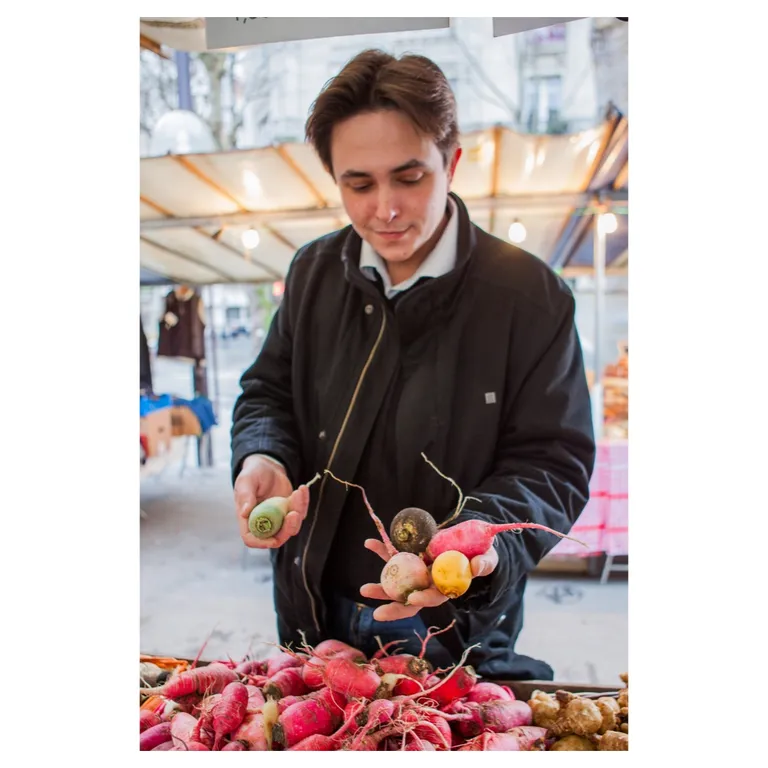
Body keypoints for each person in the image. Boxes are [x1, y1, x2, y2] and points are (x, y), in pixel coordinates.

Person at [231, 49, 595, 680]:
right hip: (314, 612)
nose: (386, 209)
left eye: (410, 177)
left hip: (457, 628)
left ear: (451, 163)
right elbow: (267, 392)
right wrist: (264, 454)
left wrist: (480, 544)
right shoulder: (314, 273)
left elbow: (553, 461)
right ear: (334, 178)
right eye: (359, 184)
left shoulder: (529, 296)